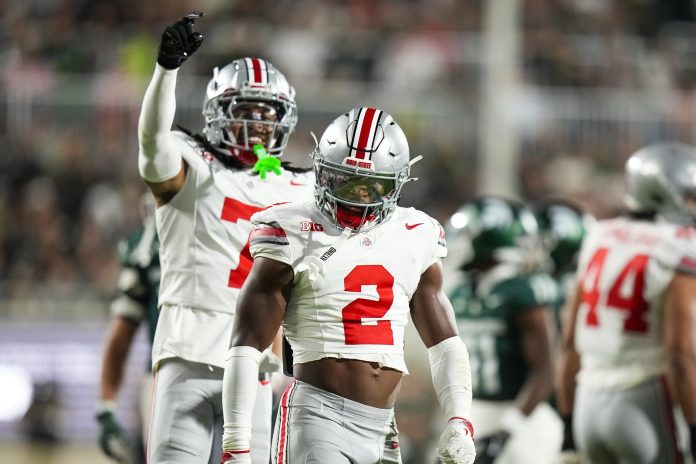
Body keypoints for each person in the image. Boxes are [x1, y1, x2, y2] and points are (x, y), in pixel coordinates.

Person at [219, 107, 476, 464]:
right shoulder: (292, 229)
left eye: (373, 185)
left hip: (385, 426)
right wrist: (236, 444)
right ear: (321, 171)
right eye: (345, 179)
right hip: (318, 416)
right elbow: (246, 343)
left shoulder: (417, 233)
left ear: (397, 183)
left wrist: (460, 418)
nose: (356, 196)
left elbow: (445, 343)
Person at [137, 11, 314, 464]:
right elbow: (152, 142)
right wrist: (166, 71)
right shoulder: (192, 163)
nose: (257, 124)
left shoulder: (300, 185)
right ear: (219, 114)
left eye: (267, 112)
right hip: (189, 350)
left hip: (256, 362)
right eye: (245, 111)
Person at [557, 142, 696, 464]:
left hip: (587, 402)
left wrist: (567, 423)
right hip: (644, 399)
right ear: (664, 194)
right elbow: (680, 356)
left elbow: (568, 343)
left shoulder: (598, 234)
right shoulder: (678, 247)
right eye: (689, 195)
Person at [444, 196, 562, 464]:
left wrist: (510, 428)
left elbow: (545, 369)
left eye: (467, 235)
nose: (457, 242)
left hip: (522, 418)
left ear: (490, 238)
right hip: (476, 414)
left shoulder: (521, 291)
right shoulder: (460, 291)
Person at [96, 194, 160, 464]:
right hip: (164, 378)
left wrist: (270, 380)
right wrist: (106, 407)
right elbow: (121, 336)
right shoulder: (146, 249)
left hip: (237, 372)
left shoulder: (235, 225)